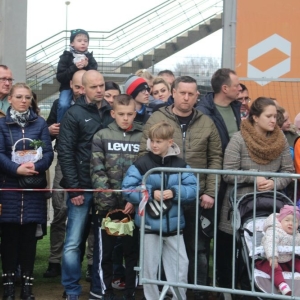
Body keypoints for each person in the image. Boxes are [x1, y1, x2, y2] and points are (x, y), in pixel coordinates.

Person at [139, 76, 223, 300]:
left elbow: (215, 158)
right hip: (163, 200)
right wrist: (153, 189)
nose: (186, 97)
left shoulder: (207, 122)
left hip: (197, 197)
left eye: (191, 94)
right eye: (182, 92)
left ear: (197, 96)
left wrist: (210, 191)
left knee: (197, 250)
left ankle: (193, 294)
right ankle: (160, 293)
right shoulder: (156, 118)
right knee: (158, 251)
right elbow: (142, 154)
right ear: (173, 93)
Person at [220, 97, 294, 292]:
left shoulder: (281, 139)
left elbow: (288, 171)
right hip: (239, 206)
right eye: (268, 116)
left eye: (275, 116)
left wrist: (274, 182)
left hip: (270, 209)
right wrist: (254, 179)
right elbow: (227, 172)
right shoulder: (238, 139)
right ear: (254, 117)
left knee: (267, 254)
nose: (273, 120)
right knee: (239, 256)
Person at [122, 121, 197, 300]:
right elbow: (128, 189)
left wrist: (175, 192)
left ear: (170, 142)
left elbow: (193, 188)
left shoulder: (180, 164)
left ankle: (178, 296)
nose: (154, 145)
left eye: (159, 141)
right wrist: (149, 193)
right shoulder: (141, 164)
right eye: (152, 141)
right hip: (149, 226)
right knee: (149, 268)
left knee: (181, 265)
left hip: (174, 226)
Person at [58, 70, 113, 300]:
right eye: (94, 86)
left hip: (106, 188)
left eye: (101, 85)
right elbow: (66, 152)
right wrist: (74, 189)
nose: (99, 90)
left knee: (106, 240)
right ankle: (71, 288)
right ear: (83, 88)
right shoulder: (74, 113)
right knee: (73, 242)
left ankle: (101, 286)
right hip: (81, 187)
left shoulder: (113, 113)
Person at [0, 83, 53, 300]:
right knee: (9, 239)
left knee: (29, 240)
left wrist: (35, 167)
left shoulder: (39, 123)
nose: (24, 101)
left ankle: (28, 287)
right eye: (19, 97)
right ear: (10, 99)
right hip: (9, 188)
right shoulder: (2, 124)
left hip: (33, 187)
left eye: (27, 97)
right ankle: (9, 286)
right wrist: (16, 169)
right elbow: (0, 153)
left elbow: (47, 152)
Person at [91, 94, 143, 300]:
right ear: (113, 113)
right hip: (108, 208)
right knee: (107, 253)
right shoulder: (101, 135)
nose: (126, 118)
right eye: (121, 114)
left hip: (133, 206)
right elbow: (97, 170)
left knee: (131, 252)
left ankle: (130, 291)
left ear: (135, 113)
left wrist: (133, 199)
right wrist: (110, 205)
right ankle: (105, 291)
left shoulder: (142, 136)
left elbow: (144, 170)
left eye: (130, 114)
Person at [196, 68, 241, 290]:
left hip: (233, 183)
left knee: (227, 236)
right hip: (213, 183)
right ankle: (202, 287)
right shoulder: (204, 111)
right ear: (225, 88)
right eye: (236, 85)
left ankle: (225, 284)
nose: (240, 88)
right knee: (204, 238)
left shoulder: (236, 107)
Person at [43, 70, 86, 278]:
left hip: (87, 164)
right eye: (77, 87)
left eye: (83, 87)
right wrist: (49, 130)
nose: (80, 91)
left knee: (88, 213)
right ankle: (54, 260)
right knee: (59, 211)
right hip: (63, 161)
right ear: (71, 84)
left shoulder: (96, 108)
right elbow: (45, 130)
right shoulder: (59, 106)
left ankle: (89, 262)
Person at [255, 205, 300, 296]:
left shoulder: (297, 235)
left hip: (286, 260)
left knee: (297, 262)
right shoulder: (274, 231)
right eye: (287, 220)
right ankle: (281, 285)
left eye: (294, 221)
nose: (290, 223)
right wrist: (273, 256)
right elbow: (270, 242)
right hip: (268, 260)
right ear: (280, 221)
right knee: (275, 268)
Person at [56, 29, 98, 123]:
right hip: (67, 87)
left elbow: (95, 74)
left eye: (85, 41)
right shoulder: (66, 57)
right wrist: (74, 68)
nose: (83, 43)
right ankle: (61, 125)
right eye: (79, 41)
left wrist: (88, 66)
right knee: (63, 104)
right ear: (72, 43)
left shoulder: (90, 58)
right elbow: (60, 77)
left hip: (86, 89)